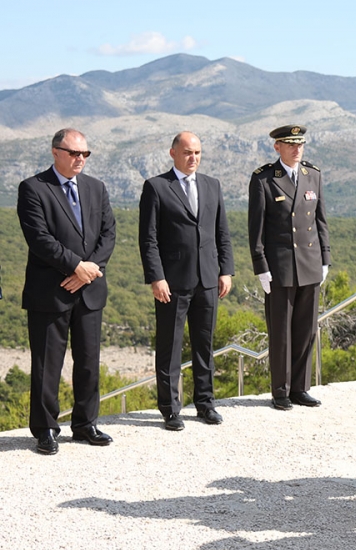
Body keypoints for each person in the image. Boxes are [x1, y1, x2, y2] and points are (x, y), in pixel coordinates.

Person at [16, 128, 116, 455]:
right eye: (74, 153)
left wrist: (87, 273)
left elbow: (108, 234)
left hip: (89, 290)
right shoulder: (33, 188)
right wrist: (76, 266)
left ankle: (86, 424)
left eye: (85, 154)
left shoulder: (96, 188)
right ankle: (45, 429)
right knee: (47, 364)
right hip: (51, 292)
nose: (80, 159)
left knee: (88, 361)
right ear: (55, 151)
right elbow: (40, 239)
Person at [139, 131, 235, 431]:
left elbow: (222, 233)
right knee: (170, 347)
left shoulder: (211, 185)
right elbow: (149, 239)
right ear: (173, 153)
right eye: (187, 152)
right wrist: (156, 277)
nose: (193, 158)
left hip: (207, 279)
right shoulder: (156, 187)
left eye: (197, 153)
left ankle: (205, 403)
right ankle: (170, 409)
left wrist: (225, 270)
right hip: (173, 282)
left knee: (204, 346)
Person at [248, 124, 330, 411]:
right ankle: (280, 391)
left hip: (309, 264)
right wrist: (261, 267)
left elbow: (320, 221)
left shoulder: (313, 175)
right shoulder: (265, 179)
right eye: (290, 144)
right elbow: (256, 228)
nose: (297, 149)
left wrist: (325, 259)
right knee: (281, 332)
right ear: (277, 147)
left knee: (306, 330)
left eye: (300, 144)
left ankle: (300, 388)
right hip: (280, 267)